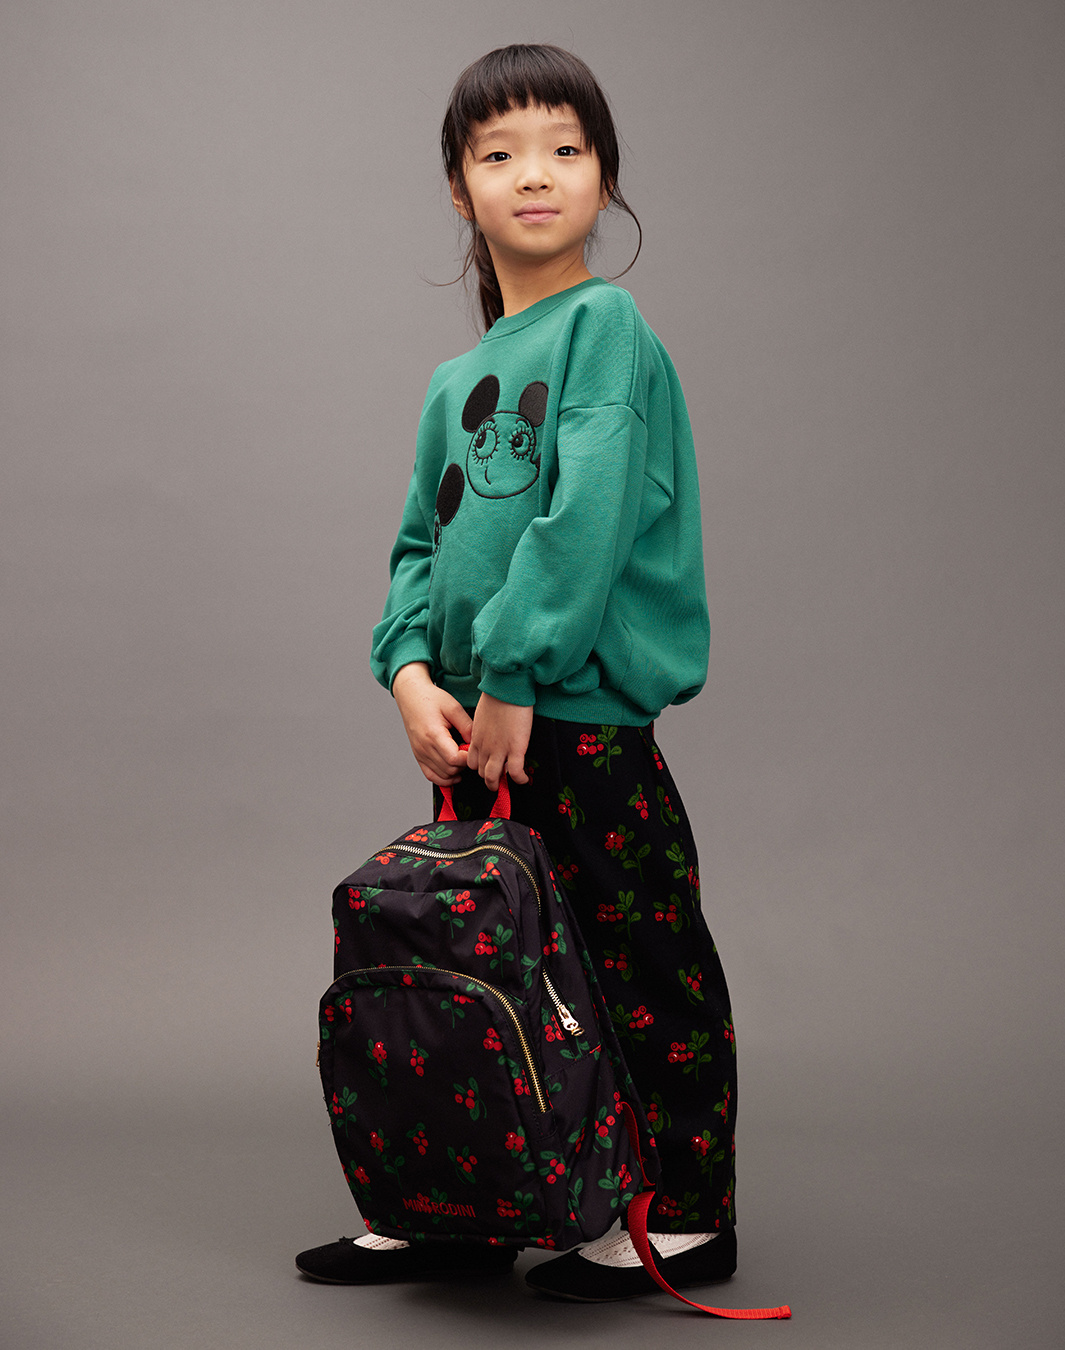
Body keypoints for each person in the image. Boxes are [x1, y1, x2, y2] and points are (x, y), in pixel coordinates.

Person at [296, 42, 738, 1302]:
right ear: (459, 188)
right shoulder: (455, 382)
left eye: (565, 148)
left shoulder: (607, 331)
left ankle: (683, 1212)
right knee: (474, 969)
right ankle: (468, 1200)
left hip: (575, 723)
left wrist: (516, 673)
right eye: (499, 154)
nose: (534, 174)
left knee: (635, 963)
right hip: (476, 727)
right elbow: (419, 547)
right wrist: (408, 671)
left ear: (605, 176)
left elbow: (582, 519)